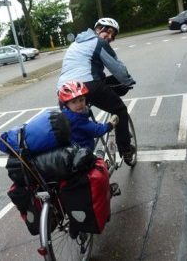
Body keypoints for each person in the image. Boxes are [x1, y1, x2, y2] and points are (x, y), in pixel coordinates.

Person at [57, 17, 136, 165]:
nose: (110, 37)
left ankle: (79, 159)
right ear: (98, 29)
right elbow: (117, 68)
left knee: (75, 126)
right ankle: (125, 149)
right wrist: (128, 81)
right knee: (119, 109)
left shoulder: (76, 43)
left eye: (113, 36)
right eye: (109, 32)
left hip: (64, 91)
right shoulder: (98, 42)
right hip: (88, 85)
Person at [58, 81, 119, 151]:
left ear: (85, 100)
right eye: (74, 102)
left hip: (72, 149)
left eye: (81, 100)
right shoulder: (77, 119)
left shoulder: (65, 113)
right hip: (83, 151)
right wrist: (109, 125)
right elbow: (97, 130)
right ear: (66, 104)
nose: (79, 104)